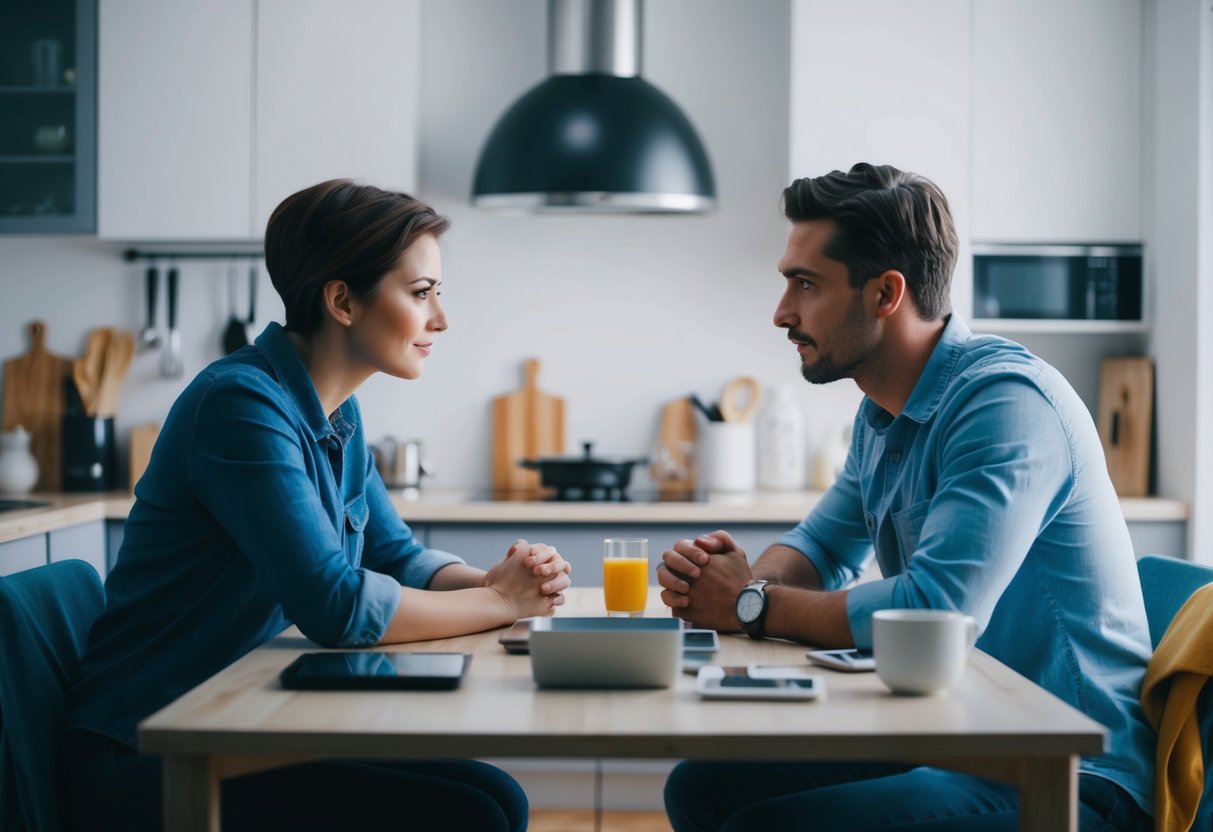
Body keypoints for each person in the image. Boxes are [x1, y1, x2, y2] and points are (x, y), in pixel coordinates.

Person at [58, 179, 571, 832]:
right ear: (341, 301)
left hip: (238, 718)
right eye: (420, 294)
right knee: (470, 814)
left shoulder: (336, 411)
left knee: (496, 799)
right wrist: (501, 604)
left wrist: (496, 581)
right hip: (148, 750)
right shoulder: (240, 406)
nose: (440, 319)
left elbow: (393, 556)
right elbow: (333, 605)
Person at [657, 163, 1155, 831]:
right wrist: (746, 581)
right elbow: (821, 544)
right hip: (959, 730)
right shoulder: (883, 411)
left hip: (1068, 770)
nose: (781, 313)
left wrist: (750, 604)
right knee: (703, 786)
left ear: (884, 293)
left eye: (804, 285)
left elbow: (932, 613)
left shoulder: (1004, 406)